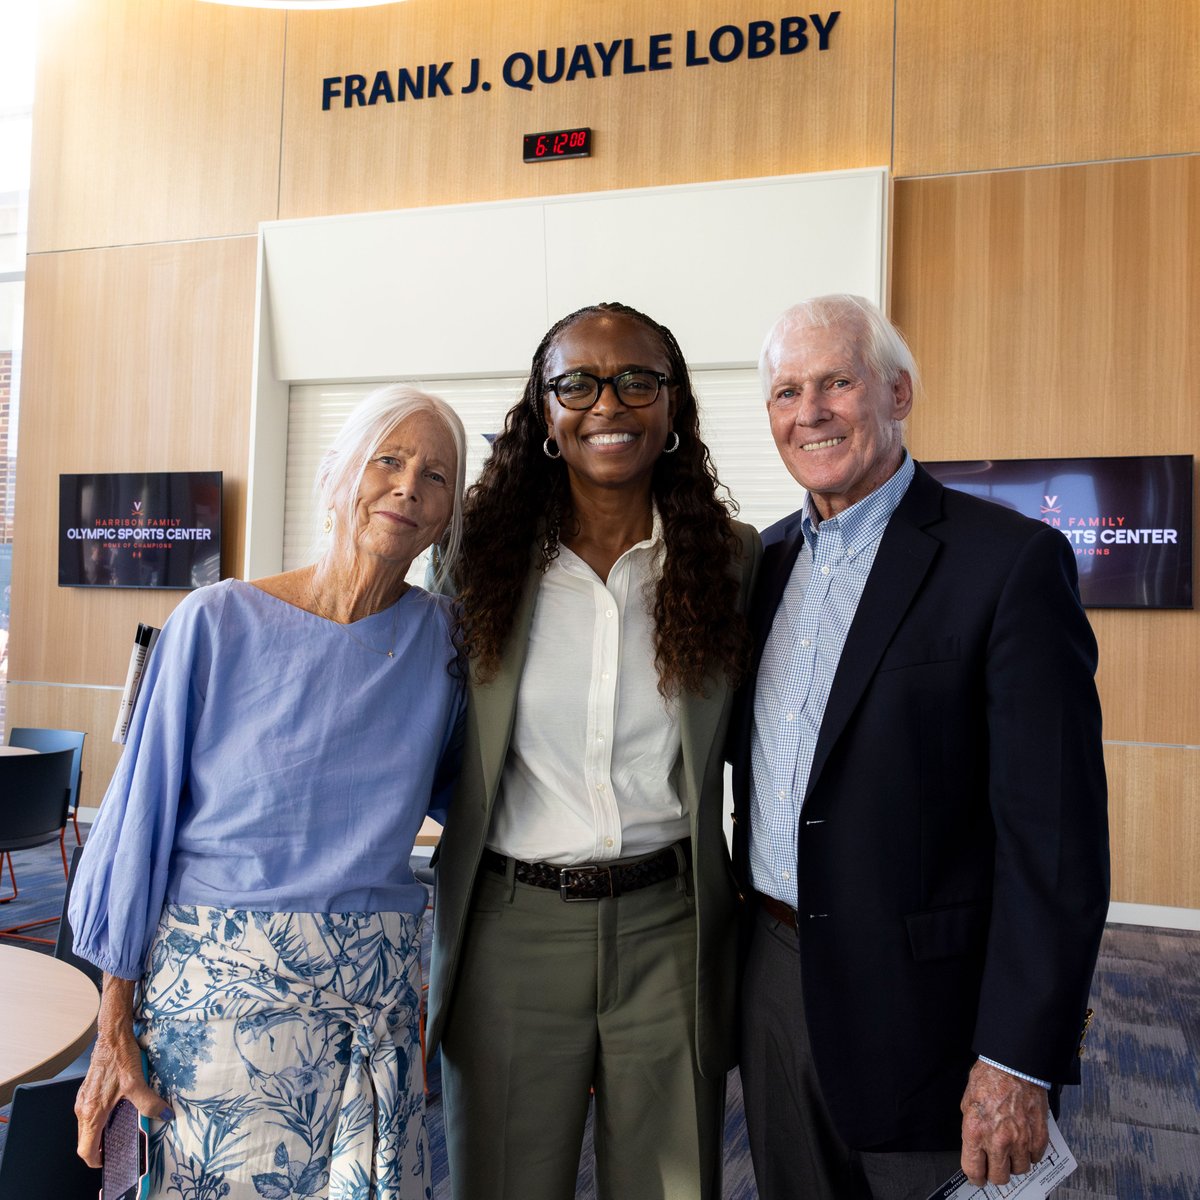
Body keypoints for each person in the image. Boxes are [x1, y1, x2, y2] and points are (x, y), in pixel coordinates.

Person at [729, 295, 1110, 1200]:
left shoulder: (1007, 563)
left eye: (837, 383)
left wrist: (1017, 1058)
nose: (810, 412)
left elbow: (1053, 844)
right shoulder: (762, 566)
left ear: (896, 392)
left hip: (930, 1011)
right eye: (787, 392)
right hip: (776, 980)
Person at [70, 384, 468, 1200]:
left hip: (375, 1005)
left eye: (435, 476)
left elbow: (483, 805)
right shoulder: (215, 622)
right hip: (220, 1006)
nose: (407, 487)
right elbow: (137, 826)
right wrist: (112, 1026)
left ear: (448, 513)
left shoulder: (450, 645)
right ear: (337, 478)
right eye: (386, 461)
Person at [426, 301, 760, 1200]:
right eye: (577, 382)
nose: (606, 403)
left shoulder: (731, 560)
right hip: (512, 926)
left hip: (671, 927)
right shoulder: (474, 556)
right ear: (544, 410)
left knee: (672, 1187)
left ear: (674, 406)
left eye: (636, 380)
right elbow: (426, 733)